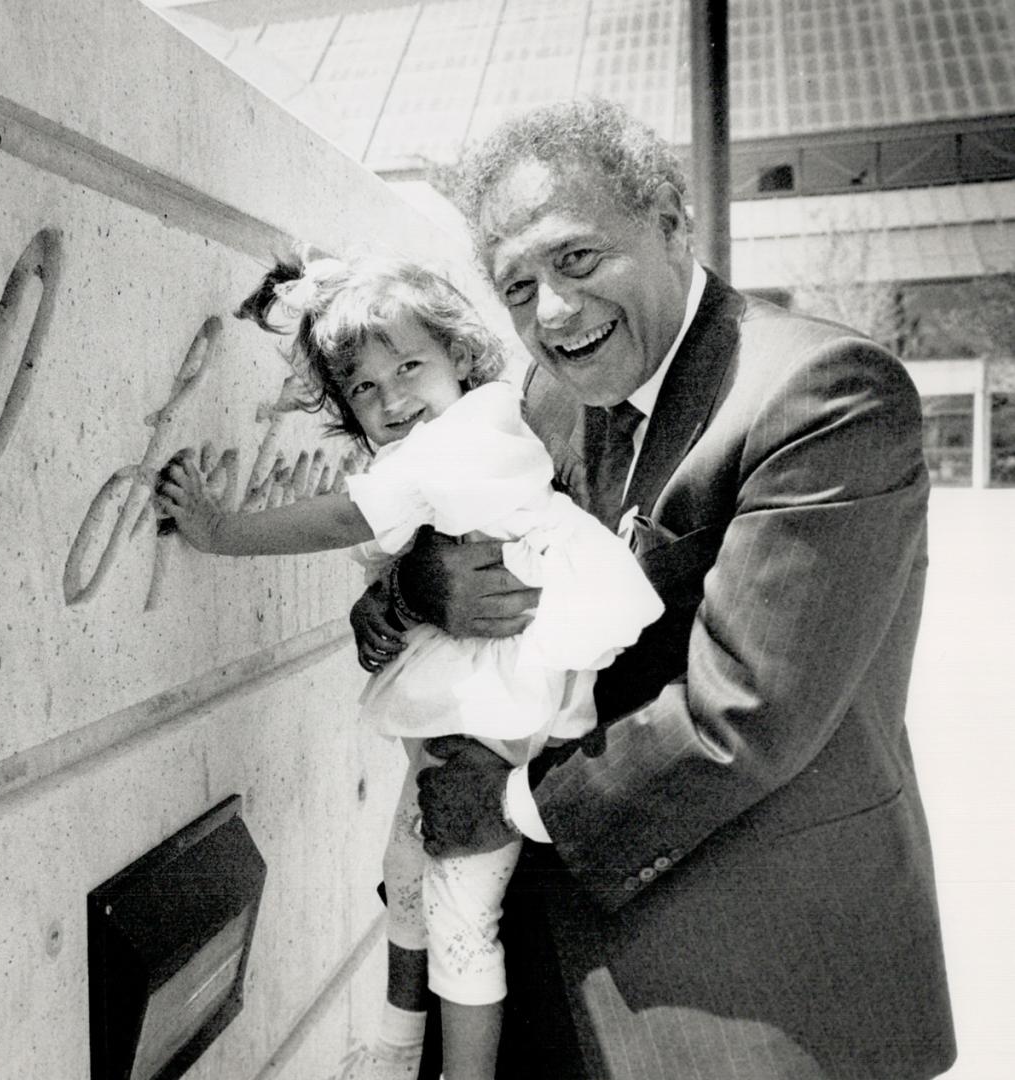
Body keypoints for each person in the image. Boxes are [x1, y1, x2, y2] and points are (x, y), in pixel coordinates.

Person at [353, 97, 956, 1079]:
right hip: (541, 956)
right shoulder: (543, 400)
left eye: (575, 259)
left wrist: (503, 803)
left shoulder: (822, 393)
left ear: (672, 224)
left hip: (750, 986)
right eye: (516, 287)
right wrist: (423, 588)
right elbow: (436, 557)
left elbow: (743, 715)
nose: (549, 312)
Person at [157, 251, 662, 1080]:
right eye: (362, 388)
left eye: (408, 367)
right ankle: (394, 1047)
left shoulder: (458, 443)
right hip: (472, 691)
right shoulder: (461, 434)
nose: (390, 398)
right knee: (406, 874)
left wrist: (219, 531)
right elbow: (396, 564)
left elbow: (338, 519)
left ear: (461, 357)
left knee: (463, 915)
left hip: (494, 705)